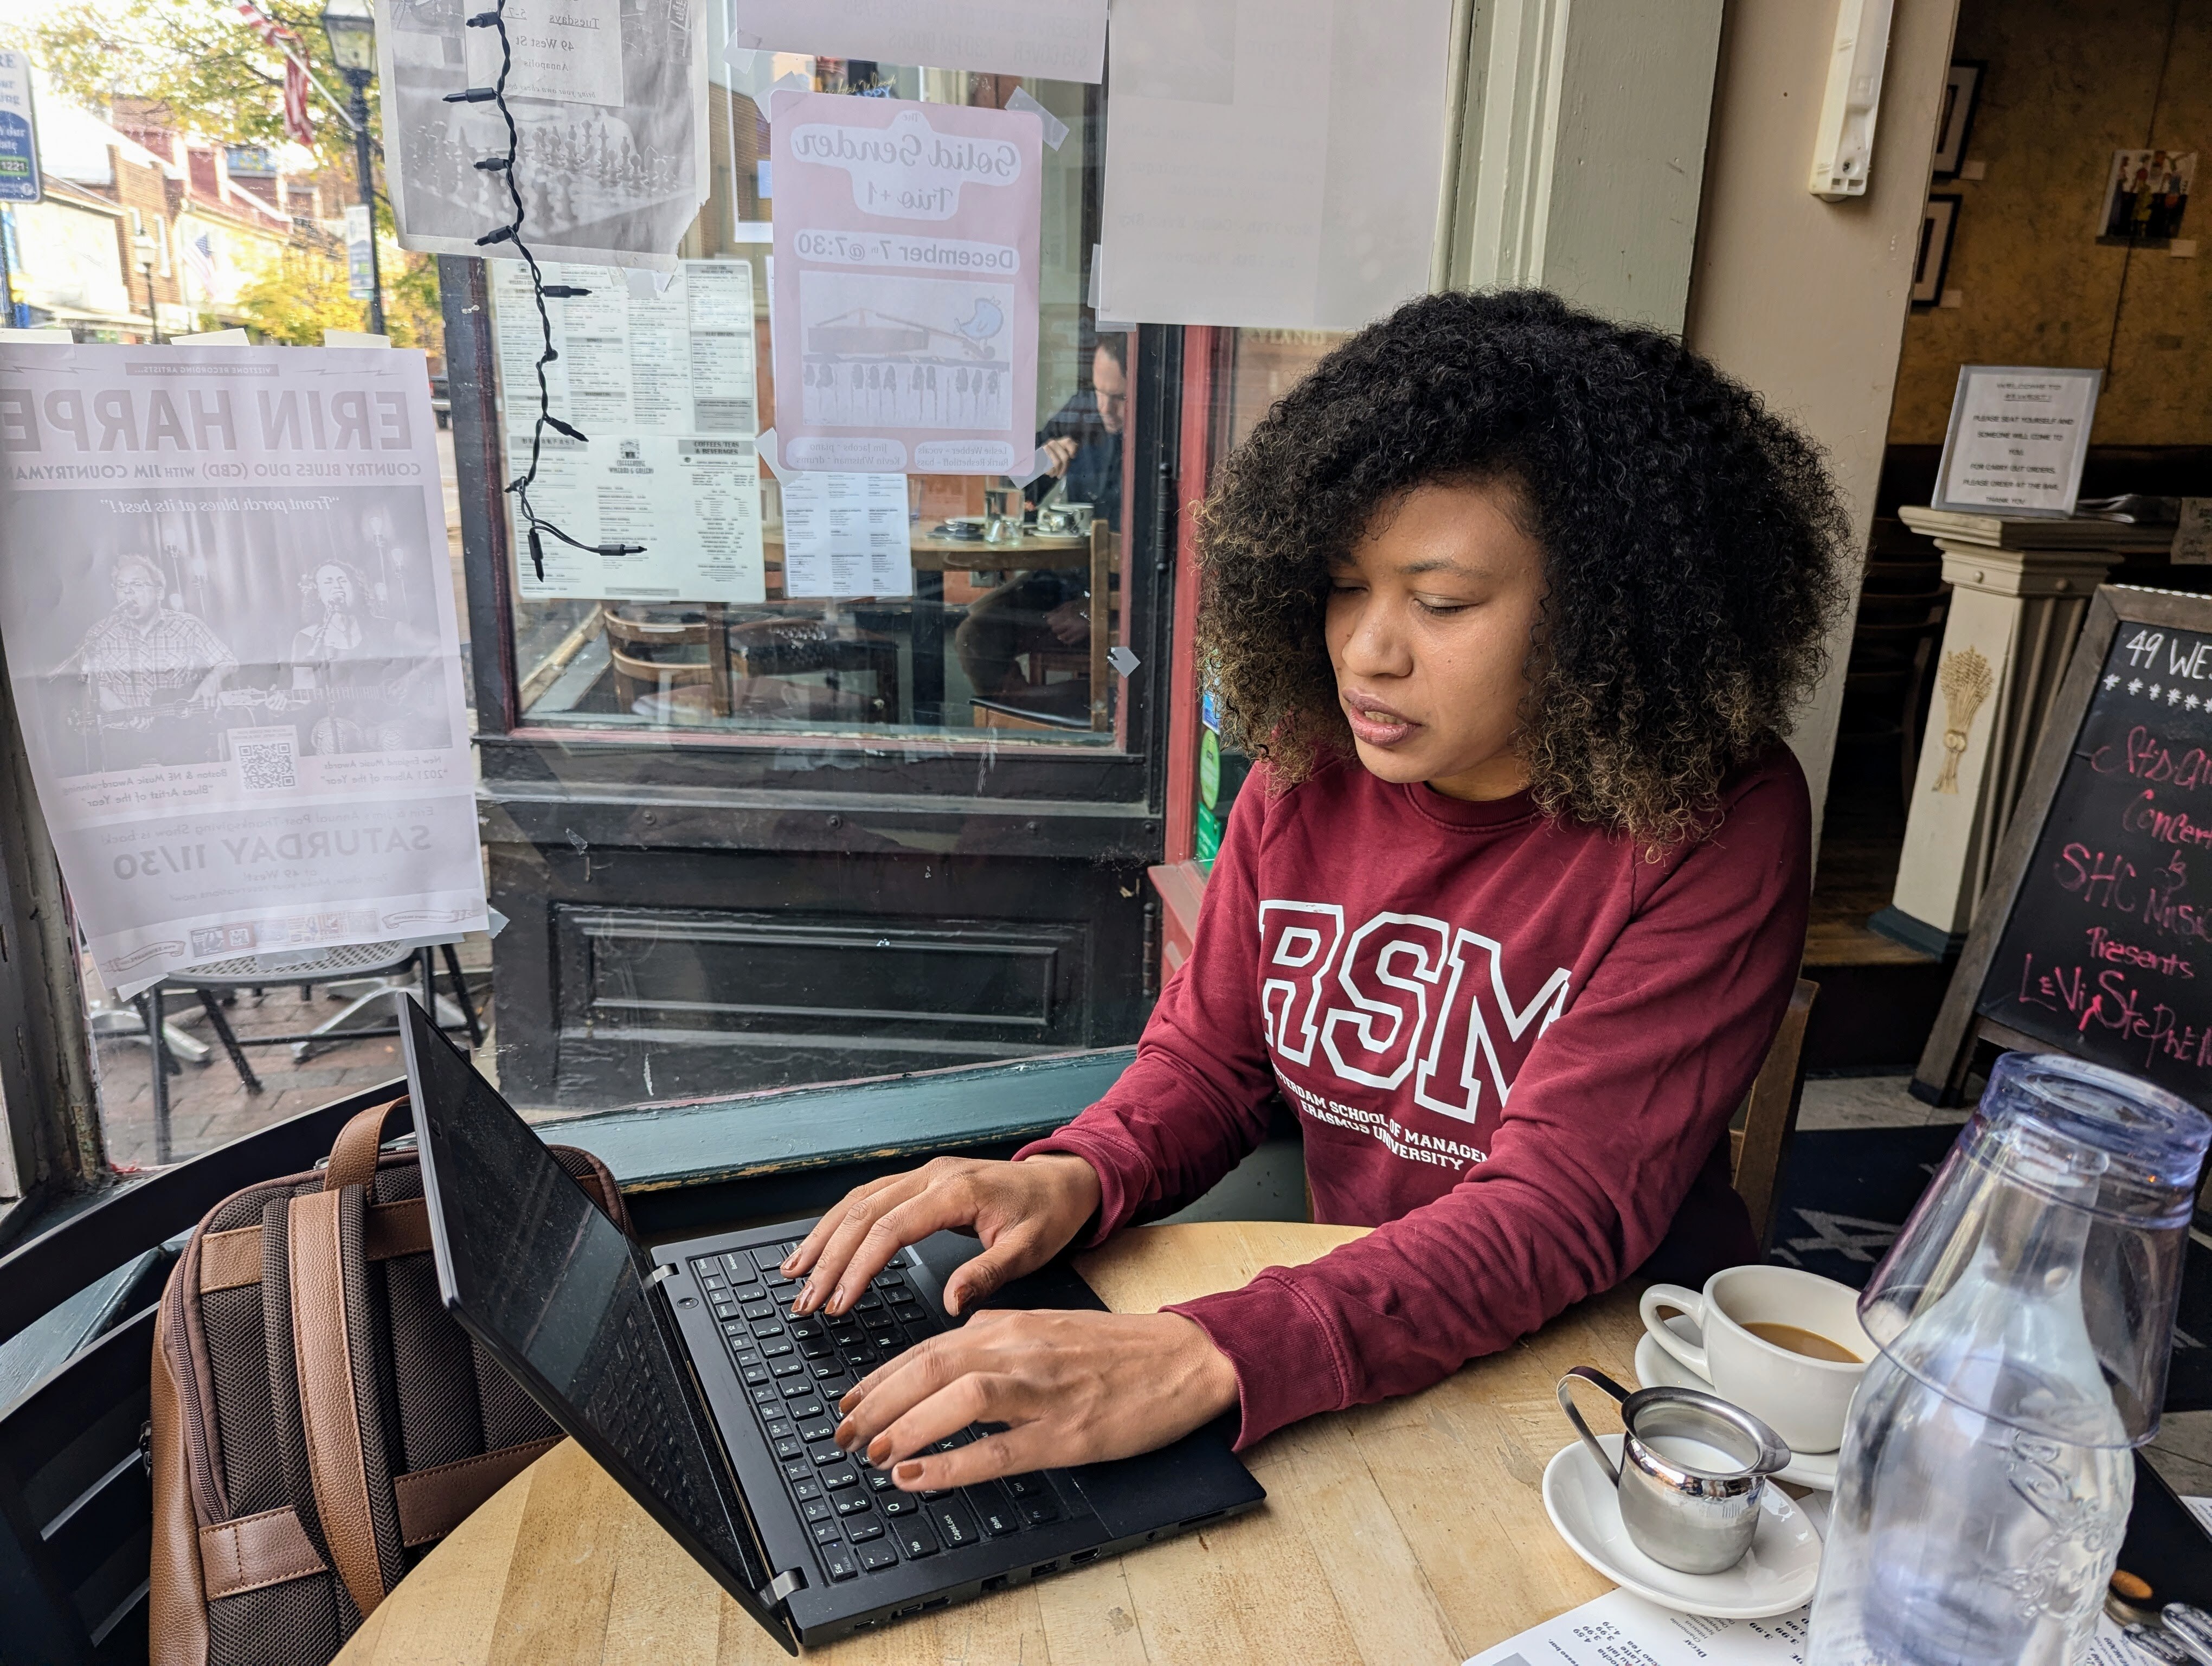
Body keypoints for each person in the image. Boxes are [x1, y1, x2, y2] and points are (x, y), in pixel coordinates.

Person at [790, 290, 1844, 1495]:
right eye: (1346, 587)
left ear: (1611, 615)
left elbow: (1558, 1207)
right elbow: (1213, 1060)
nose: (1367, 651)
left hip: (1605, 1395)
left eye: (1441, 603)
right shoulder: (1307, 769)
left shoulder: (1708, 817)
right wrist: (1070, 1174)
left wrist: (1200, 1352)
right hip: (1356, 1340)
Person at [953, 334, 1128, 699]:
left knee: (1133, 670)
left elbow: (1168, 576)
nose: (1106, 408)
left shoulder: (1160, 437)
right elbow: (1013, 483)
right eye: (1099, 392)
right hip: (1062, 584)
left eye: (1120, 398)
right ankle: (1031, 716)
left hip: (1124, 608)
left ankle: (1099, 718)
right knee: (975, 636)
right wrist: (1039, 462)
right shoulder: (1085, 410)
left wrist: (1096, 611)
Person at [62, 553, 240, 768]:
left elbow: (227, 661)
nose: (128, 591)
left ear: (159, 592)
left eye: (137, 584)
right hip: (123, 743)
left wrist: (212, 680)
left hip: (180, 739)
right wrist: (127, 713)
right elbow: (95, 686)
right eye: (121, 586)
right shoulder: (101, 634)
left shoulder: (187, 626)